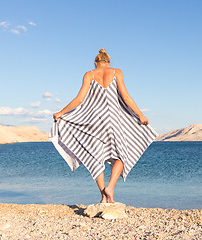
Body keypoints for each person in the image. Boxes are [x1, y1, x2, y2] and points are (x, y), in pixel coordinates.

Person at [49, 49, 159, 204]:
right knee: (123, 153)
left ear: (95, 62)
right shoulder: (116, 72)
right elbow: (126, 97)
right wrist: (140, 114)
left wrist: (61, 112)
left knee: (95, 156)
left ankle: (102, 197)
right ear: (109, 62)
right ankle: (110, 189)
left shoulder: (89, 74)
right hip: (114, 119)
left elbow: (79, 99)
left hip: (94, 120)